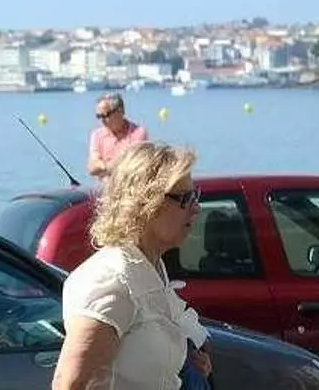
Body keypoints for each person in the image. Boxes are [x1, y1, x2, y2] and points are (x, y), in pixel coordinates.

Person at [53, 141, 212, 390]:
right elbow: (69, 384)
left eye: (195, 195)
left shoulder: (152, 266)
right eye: (185, 198)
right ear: (146, 203)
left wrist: (187, 364)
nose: (196, 208)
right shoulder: (111, 278)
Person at [87, 93, 148, 180]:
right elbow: (92, 168)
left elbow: (136, 166)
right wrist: (113, 165)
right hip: (105, 187)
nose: (102, 120)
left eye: (105, 115)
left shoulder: (139, 133)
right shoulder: (97, 135)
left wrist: (103, 166)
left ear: (120, 111)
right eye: (99, 116)